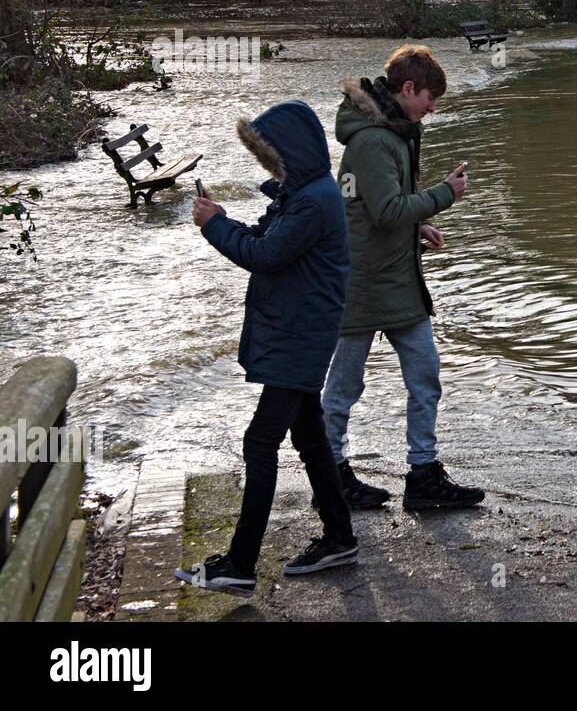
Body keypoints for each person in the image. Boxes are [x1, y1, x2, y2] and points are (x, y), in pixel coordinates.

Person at [175, 101, 357, 597]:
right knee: (311, 438)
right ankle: (340, 536)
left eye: (270, 157)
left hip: (300, 335)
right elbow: (268, 237)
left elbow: (265, 255)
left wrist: (213, 226)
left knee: (260, 444)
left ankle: (240, 563)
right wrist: (226, 219)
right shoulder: (306, 193)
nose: (268, 167)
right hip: (301, 331)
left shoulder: (313, 200)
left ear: (290, 153)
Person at [322, 44, 484, 511]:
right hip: (363, 281)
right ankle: (332, 473)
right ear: (408, 89)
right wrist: (444, 195)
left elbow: (380, 210)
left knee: (425, 375)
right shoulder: (374, 140)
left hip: (395, 277)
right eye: (430, 98)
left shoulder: (394, 130)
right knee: (345, 385)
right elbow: (387, 210)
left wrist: (418, 227)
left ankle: (423, 475)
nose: (432, 109)